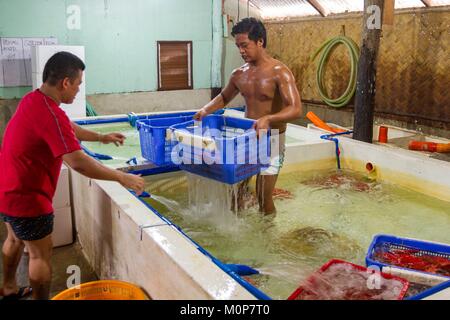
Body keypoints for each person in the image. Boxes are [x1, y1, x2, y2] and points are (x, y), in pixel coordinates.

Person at [0, 51, 145, 300]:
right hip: (29, 198)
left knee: (14, 239)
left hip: (7, 188)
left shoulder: (34, 100)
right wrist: (122, 178)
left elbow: (67, 127)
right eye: (78, 84)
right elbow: (78, 163)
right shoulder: (50, 113)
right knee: (39, 255)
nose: (78, 90)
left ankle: (8, 288)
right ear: (65, 82)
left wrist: (101, 137)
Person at [194, 18, 302, 214]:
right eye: (238, 46)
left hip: (272, 139)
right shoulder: (238, 74)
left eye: (245, 45)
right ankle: (237, 233)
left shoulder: (280, 72)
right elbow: (224, 97)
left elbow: (295, 109)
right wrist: (205, 110)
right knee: (235, 190)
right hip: (247, 138)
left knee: (263, 196)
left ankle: (267, 236)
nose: (241, 51)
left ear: (260, 41)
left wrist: (268, 119)